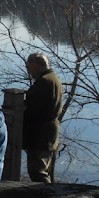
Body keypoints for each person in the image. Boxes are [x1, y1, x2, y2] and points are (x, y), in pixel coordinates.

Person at [23, 52, 63, 183]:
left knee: (37, 171)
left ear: (36, 65)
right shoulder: (54, 79)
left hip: (41, 134)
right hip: (49, 133)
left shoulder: (44, 82)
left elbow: (34, 110)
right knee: (44, 170)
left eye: (28, 67)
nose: (28, 71)